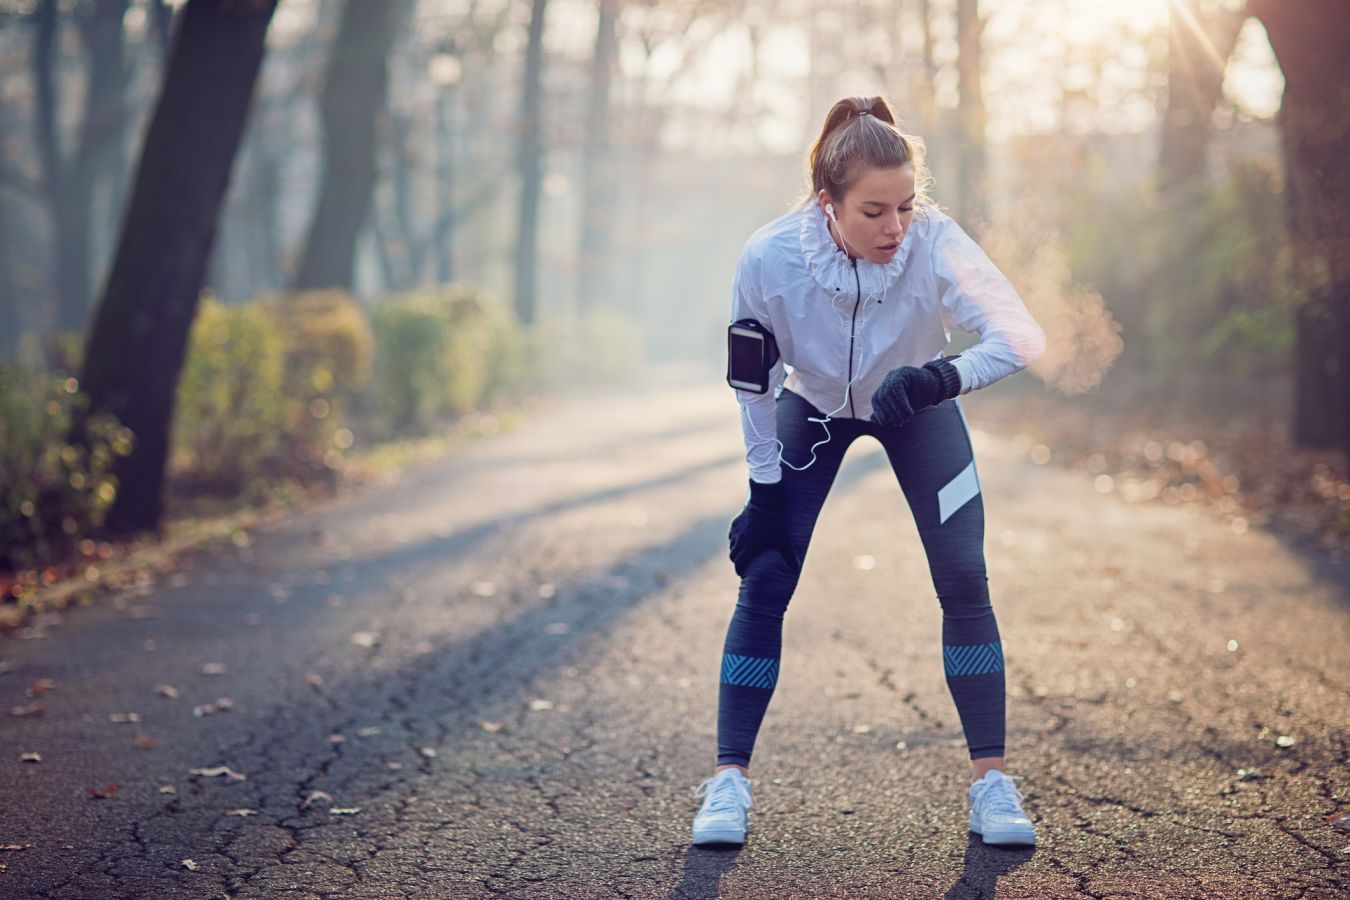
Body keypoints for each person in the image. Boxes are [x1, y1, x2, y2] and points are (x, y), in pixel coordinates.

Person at [692, 95, 1046, 848]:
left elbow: (1022, 334)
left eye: (906, 208)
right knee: (767, 572)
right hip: (812, 407)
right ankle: (728, 783)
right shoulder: (769, 257)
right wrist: (763, 491)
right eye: (875, 212)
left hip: (916, 402)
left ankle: (992, 783)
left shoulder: (935, 241)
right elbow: (753, 386)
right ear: (829, 204)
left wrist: (940, 378)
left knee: (962, 575)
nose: (895, 229)